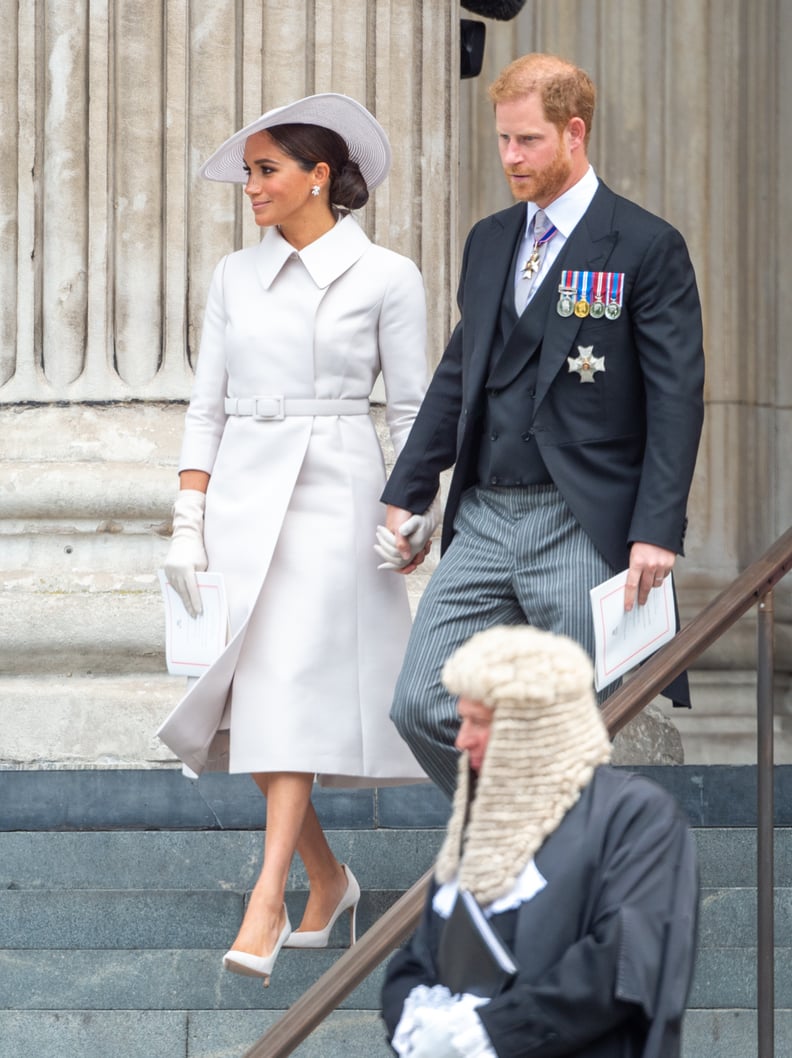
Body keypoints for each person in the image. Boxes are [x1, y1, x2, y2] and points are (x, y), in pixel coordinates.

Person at [375, 52, 706, 799]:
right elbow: (461, 372)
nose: (510, 158)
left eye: (526, 141)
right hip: (487, 515)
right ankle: (522, 836)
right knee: (421, 701)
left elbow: (677, 397)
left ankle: (544, 874)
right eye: (502, 140)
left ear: (574, 133)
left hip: (580, 520)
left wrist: (658, 527)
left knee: (575, 719)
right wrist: (410, 488)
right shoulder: (490, 239)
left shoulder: (646, 246)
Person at [156, 93, 428, 985]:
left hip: (339, 498)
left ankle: (265, 899)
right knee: (259, 705)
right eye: (248, 171)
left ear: (320, 175)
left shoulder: (389, 275)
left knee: (296, 690)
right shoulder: (234, 277)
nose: (252, 186)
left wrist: (413, 511)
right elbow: (205, 405)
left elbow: (414, 411)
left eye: (266, 169)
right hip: (242, 496)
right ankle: (327, 878)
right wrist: (187, 521)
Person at [381, 625, 700, 1058]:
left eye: (479, 722)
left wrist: (489, 1035)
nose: (461, 739)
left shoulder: (636, 816)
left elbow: (621, 963)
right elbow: (419, 956)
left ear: (534, 727)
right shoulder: (485, 820)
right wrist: (415, 1024)